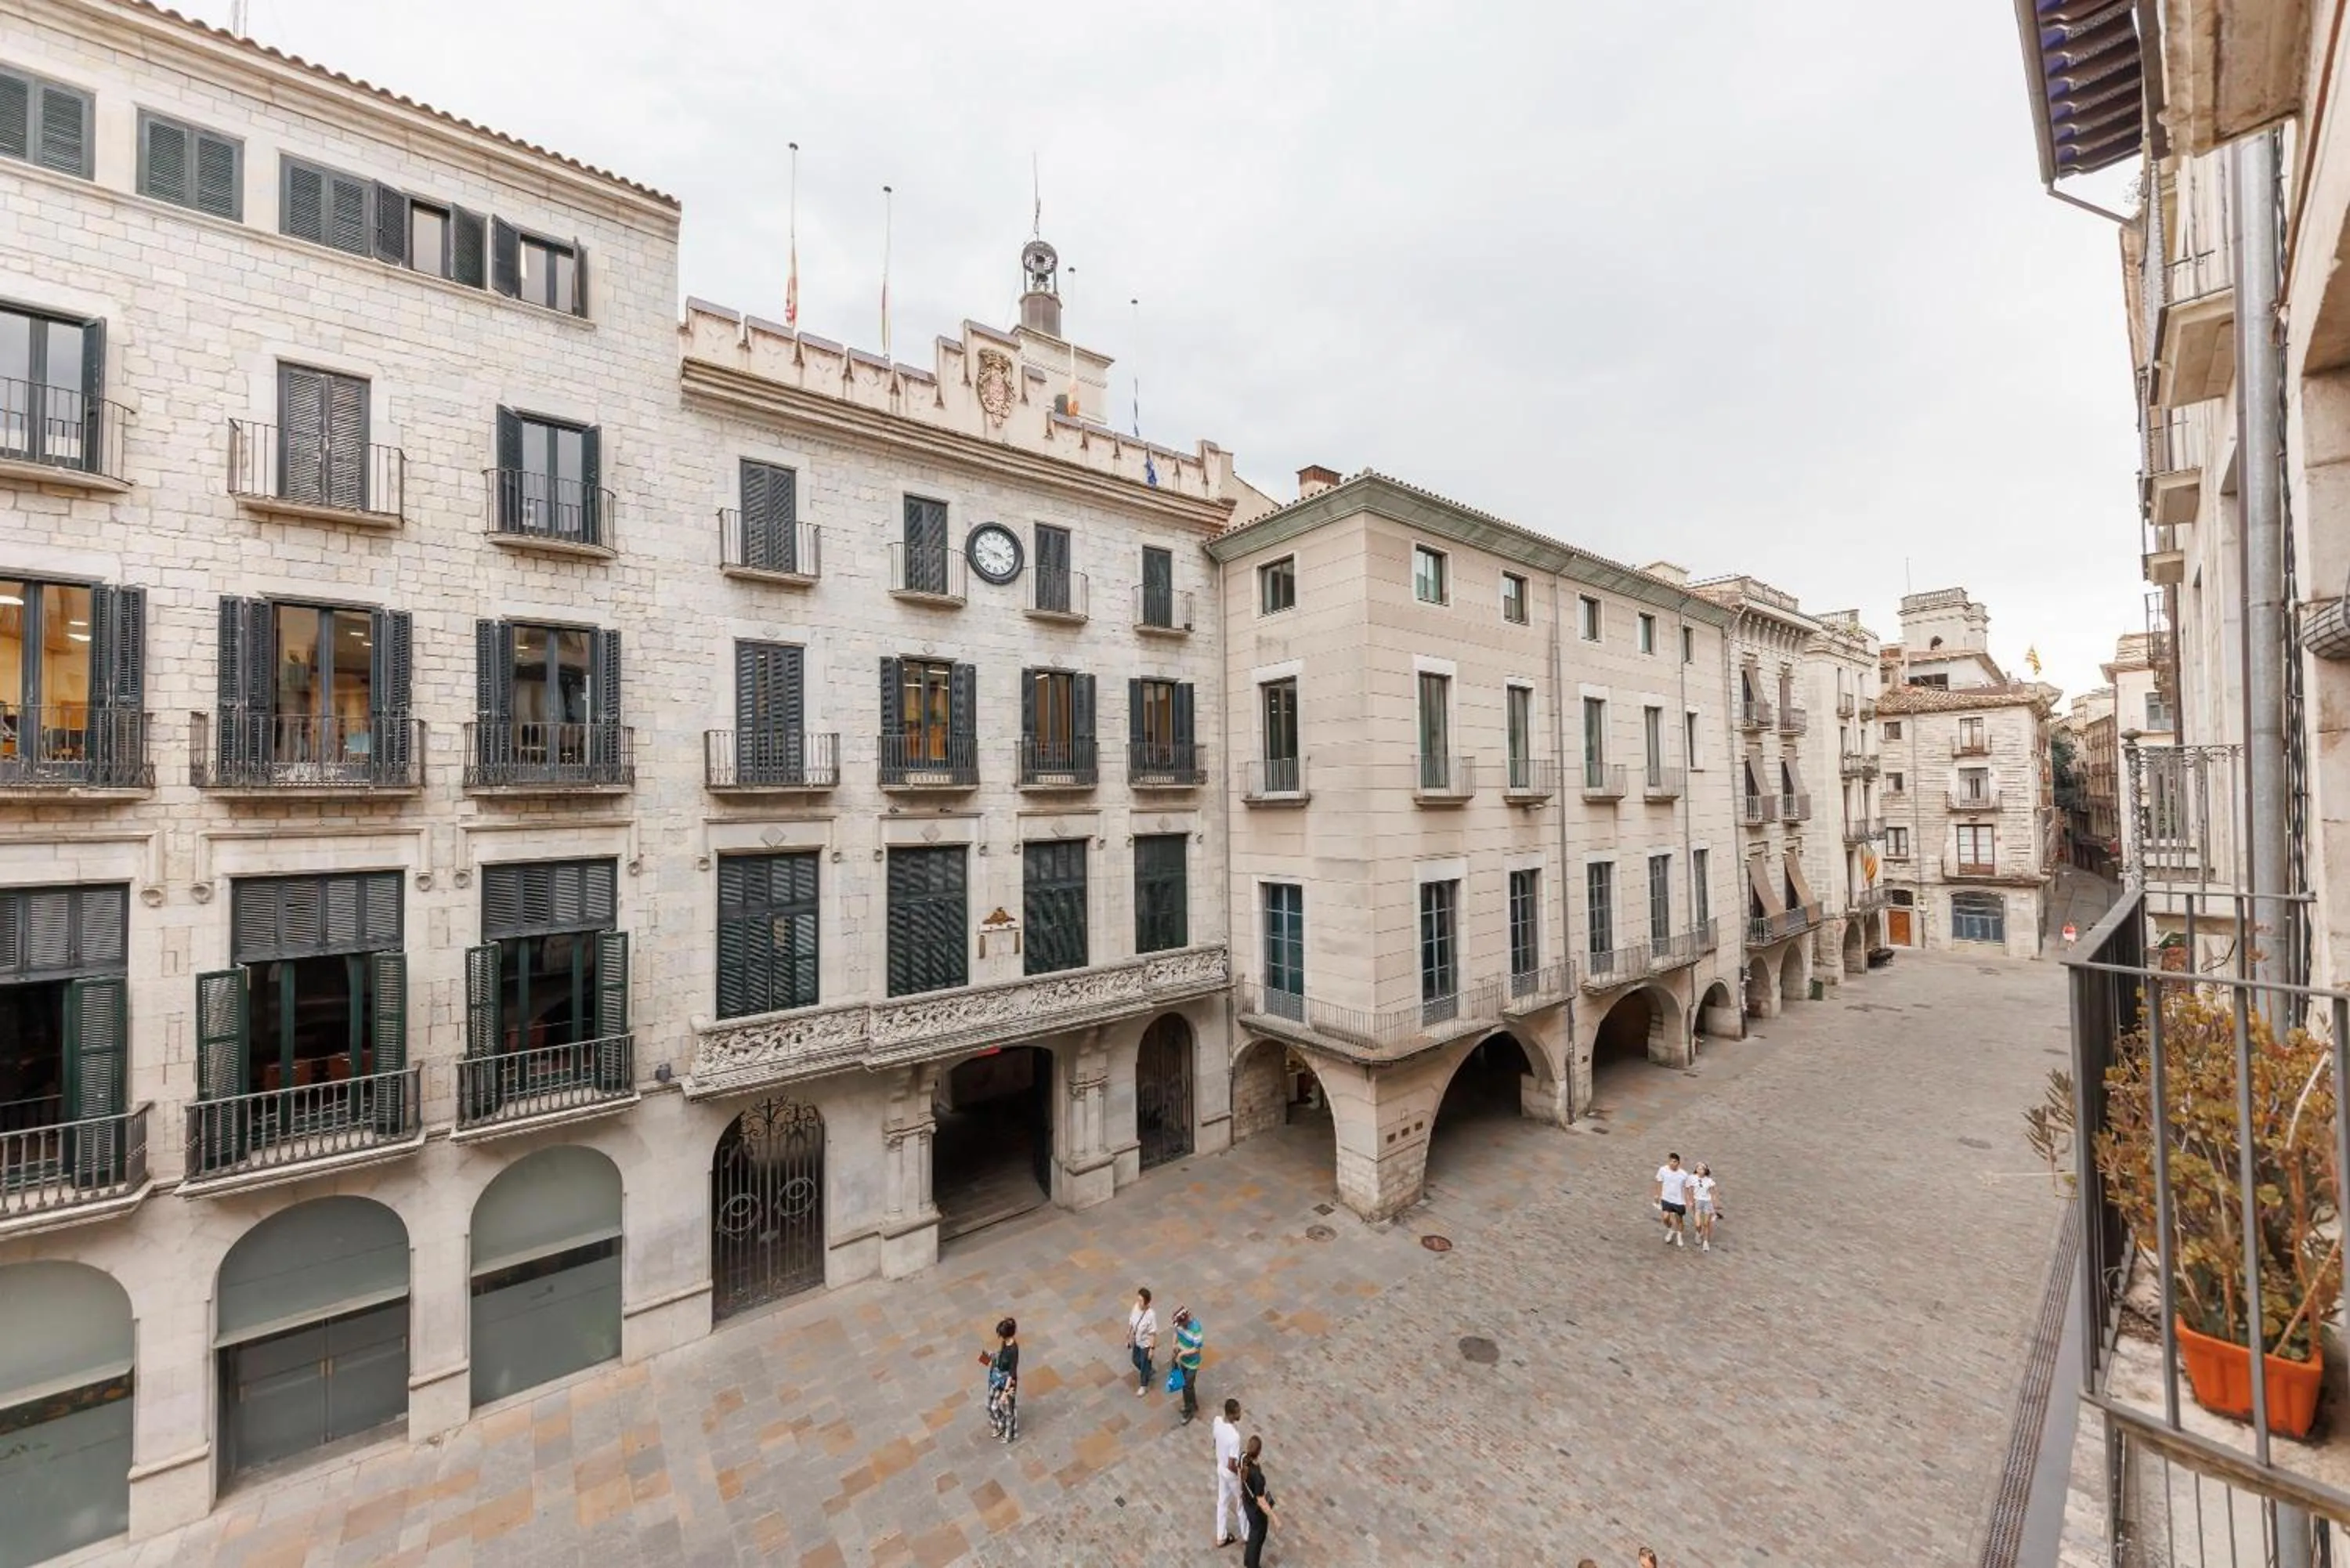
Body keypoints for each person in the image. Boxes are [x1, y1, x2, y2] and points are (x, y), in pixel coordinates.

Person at [977, 1316, 1018, 1443]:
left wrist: (1005, 1393)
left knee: (1008, 1410)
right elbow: (1001, 1356)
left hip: (1006, 1383)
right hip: (996, 1378)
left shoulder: (1014, 1351)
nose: (1000, 1337)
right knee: (991, 1406)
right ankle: (999, 1426)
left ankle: (1009, 1433)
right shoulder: (1005, 1343)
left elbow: (1012, 1373)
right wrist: (991, 1357)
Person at [1239, 1433, 1277, 1567]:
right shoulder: (1258, 1477)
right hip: (1256, 1511)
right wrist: (1274, 1518)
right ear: (1259, 1452)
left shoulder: (1243, 1458)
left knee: (1253, 1534)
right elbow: (1261, 1501)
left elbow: (1240, 1475)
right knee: (1257, 1537)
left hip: (1246, 1502)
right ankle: (1252, 1564)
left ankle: (1248, 1561)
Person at [1213, 1398, 1246, 1548]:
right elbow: (1233, 1463)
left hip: (1220, 1466)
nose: (1240, 1414)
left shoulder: (1217, 1421)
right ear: (1232, 1415)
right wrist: (1240, 1473)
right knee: (1241, 1501)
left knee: (1222, 1501)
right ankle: (1247, 1534)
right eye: (1238, 1412)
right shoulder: (1234, 1437)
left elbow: (1214, 1441)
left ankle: (1221, 1536)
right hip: (1230, 1473)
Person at [1171, 1306, 1206, 1425]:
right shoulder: (1179, 1325)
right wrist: (1174, 1344)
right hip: (1183, 1361)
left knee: (1187, 1386)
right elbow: (1176, 1333)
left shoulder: (1196, 1328)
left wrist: (1181, 1354)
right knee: (1187, 1385)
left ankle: (1188, 1410)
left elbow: (1196, 1349)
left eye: (1181, 1324)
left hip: (1192, 1363)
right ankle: (1193, 1405)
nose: (1180, 1326)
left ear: (1186, 1320)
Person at [1654, 1152, 1691, 1247]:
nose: (1672, 1163)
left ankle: (1679, 1235)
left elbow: (1687, 1188)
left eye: (1674, 1162)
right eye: (1670, 1161)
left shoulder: (1684, 1174)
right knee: (1665, 1218)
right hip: (1666, 1198)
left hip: (1679, 1200)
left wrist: (1689, 1200)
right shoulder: (1663, 1170)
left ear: (1678, 1163)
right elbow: (1659, 1181)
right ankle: (1671, 1230)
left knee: (1679, 1220)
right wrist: (1657, 1195)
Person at [1127, 1286, 1159, 1396]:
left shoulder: (1151, 1315)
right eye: (1138, 1299)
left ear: (1146, 1302)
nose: (1138, 1302)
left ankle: (1143, 1385)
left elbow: (1152, 1333)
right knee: (1135, 1360)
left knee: (1144, 1363)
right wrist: (1129, 1333)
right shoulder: (1136, 1307)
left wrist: (1151, 1349)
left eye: (1141, 1300)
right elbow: (1132, 1321)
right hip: (1137, 1340)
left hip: (1146, 1344)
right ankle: (1148, 1371)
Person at [1690, 1162, 1721, 1252]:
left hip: (1707, 1202)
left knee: (1706, 1223)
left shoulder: (1709, 1181)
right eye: (1698, 1169)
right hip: (1697, 1202)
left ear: (1705, 1171)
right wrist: (1691, 1201)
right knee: (1698, 1224)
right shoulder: (1692, 1179)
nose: (1700, 1171)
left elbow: (1714, 1192)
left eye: (1702, 1169)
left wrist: (1715, 1203)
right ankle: (1698, 1233)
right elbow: (1690, 1190)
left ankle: (1706, 1242)